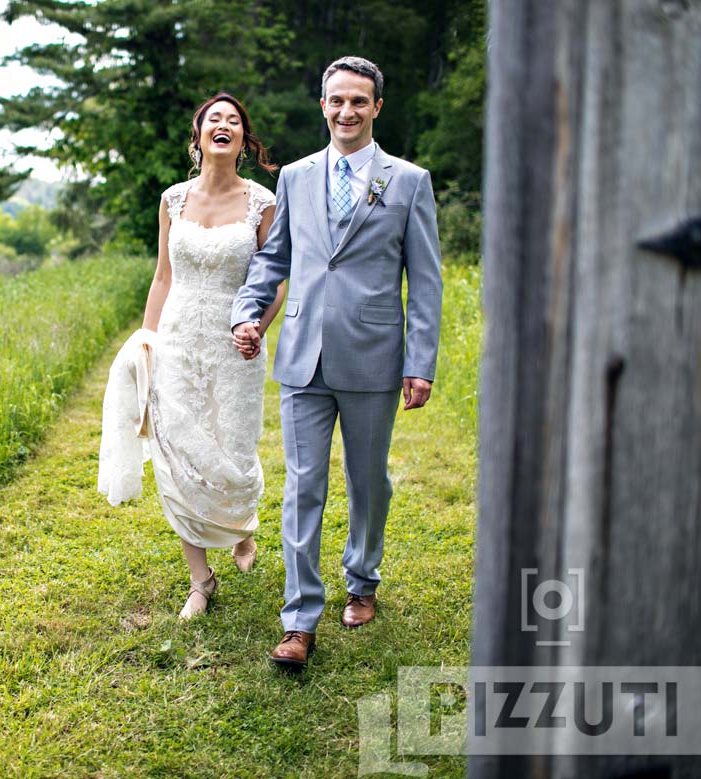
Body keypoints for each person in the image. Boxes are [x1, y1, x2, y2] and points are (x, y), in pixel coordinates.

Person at [231, 57, 443, 670]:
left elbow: (424, 281)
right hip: (303, 356)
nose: (345, 111)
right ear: (322, 105)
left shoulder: (408, 181)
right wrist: (247, 314)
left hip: (375, 355)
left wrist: (420, 361)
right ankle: (299, 619)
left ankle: (363, 578)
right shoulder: (295, 177)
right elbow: (273, 262)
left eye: (358, 101)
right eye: (335, 101)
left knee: (367, 479)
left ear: (377, 107)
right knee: (303, 485)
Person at [101, 92, 285, 620]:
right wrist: (146, 336)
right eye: (214, 119)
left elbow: (272, 280)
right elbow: (163, 275)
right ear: (200, 135)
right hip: (177, 337)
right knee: (178, 450)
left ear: (243, 141)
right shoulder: (173, 199)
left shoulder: (261, 202)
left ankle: (238, 524)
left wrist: (257, 326)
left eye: (233, 121)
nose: (223, 125)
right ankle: (200, 580)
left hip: (234, 341)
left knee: (233, 450)